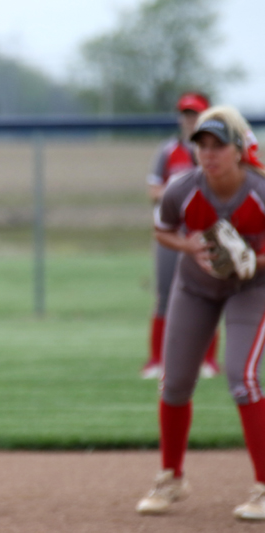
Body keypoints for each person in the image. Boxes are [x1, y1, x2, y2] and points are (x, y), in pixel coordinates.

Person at [135, 105, 265, 520]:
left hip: (251, 288)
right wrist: (188, 245)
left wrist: (253, 261)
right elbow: (162, 228)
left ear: (240, 150)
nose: (208, 153)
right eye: (202, 145)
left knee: (242, 377)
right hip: (195, 287)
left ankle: (263, 486)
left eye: (218, 145)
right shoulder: (184, 188)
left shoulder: (259, 191)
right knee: (174, 382)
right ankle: (171, 478)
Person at [140, 91, 221, 380]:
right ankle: (156, 360)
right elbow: (154, 191)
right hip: (172, 233)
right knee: (164, 295)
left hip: (204, 233)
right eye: (186, 114)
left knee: (210, 294)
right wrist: (182, 190)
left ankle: (207, 361)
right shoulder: (168, 151)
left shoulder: (215, 152)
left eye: (195, 114)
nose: (189, 120)